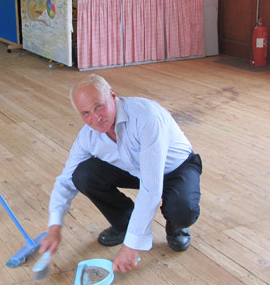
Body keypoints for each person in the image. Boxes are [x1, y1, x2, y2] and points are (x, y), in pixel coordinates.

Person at [40, 74, 202, 272]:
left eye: (98, 106)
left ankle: (176, 227)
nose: (95, 118)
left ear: (113, 95)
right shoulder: (87, 137)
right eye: (86, 113)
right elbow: (65, 181)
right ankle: (124, 224)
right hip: (135, 169)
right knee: (82, 174)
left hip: (176, 168)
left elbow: (151, 188)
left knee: (182, 211)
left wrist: (132, 247)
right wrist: (55, 226)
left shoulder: (146, 117)